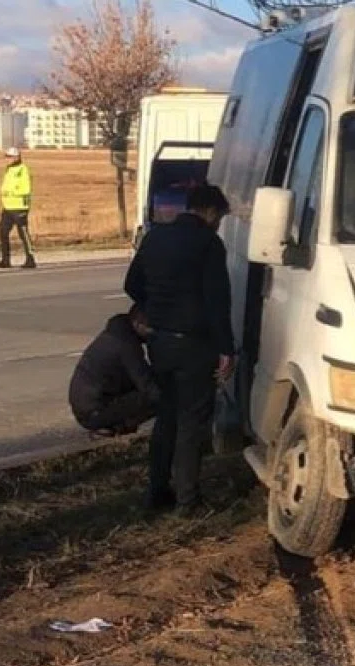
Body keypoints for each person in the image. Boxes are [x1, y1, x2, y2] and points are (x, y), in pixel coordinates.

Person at [124, 184, 234, 513]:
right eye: (219, 217)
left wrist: (151, 308)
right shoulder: (209, 244)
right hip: (194, 347)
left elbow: (131, 284)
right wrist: (226, 349)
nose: (218, 223)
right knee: (190, 424)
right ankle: (188, 501)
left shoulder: (155, 237)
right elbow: (218, 302)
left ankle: (156, 493)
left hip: (160, 343)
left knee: (166, 420)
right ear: (210, 211)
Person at [69, 305, 159, 436]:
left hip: (88, 406)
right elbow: (146, 385)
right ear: (138, 323)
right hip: (94, 411)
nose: (153, 332)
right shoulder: (126, 345)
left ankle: (115, 426)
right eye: (151, 327)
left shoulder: (117, 334)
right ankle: (116, 428)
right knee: (160, 395)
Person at [0, 147, 37, 269]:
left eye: (9, 157)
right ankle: (5, 259)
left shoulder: (23, 170)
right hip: (8, 207)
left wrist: (11, 192)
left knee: (23, 233)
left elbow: (26, 189)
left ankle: (30, 259)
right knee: (3, 231)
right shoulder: (9, 170)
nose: (7, 160)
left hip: (19, 206)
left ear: (16, 157)